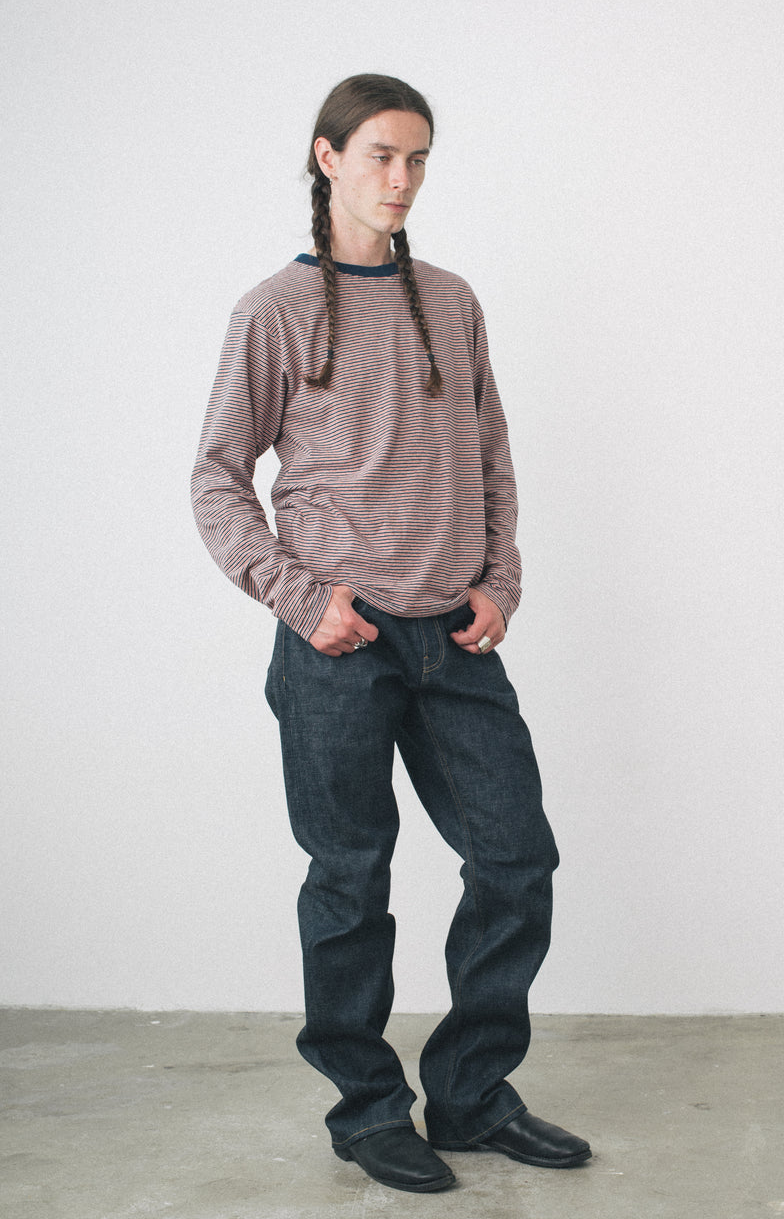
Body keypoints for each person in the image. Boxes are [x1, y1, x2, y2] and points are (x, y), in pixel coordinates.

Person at [190, 74, 590, 1194]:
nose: (401, 178)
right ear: (327, 159)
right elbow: (218, 479)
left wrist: (501, 580)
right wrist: (298, 596)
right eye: (379, 156)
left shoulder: (453, 301)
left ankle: (468, 1091)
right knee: (351, 878)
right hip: (339, 643)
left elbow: (491, 456)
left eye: (417, 158)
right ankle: (367, 1107)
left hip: (456, 639)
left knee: (515, 861)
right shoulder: (272, 309)